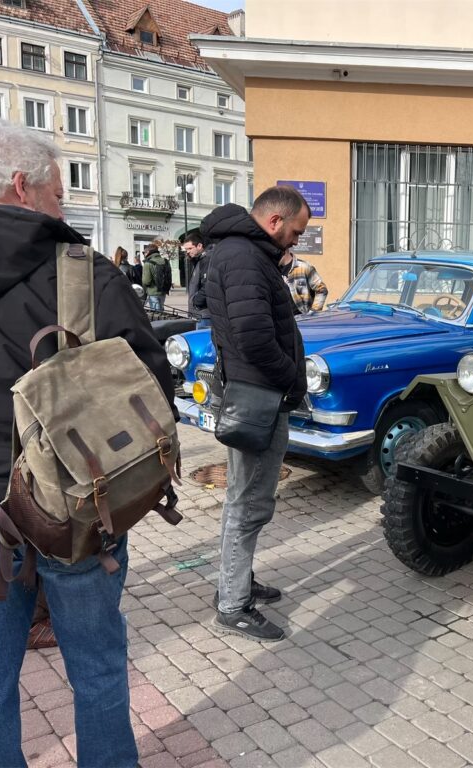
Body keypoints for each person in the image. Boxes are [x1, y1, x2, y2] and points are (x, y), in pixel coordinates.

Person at [0, 121, 174, 767]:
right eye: (59, 195)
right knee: (96, 668)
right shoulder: (79, 272)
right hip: (81, 508)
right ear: (22, 187)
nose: (62, 209)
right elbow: (154, 392)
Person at [203, 187, 309, 641]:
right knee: (249, 504)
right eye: (296, 231)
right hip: (260, 398)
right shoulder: (244, 258)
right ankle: (233, 605)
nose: (296, 241)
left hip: (256, 394)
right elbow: (254, 337)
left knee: (245, 500)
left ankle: (236, 582)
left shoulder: (240, 252)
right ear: (274, 222)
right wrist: (292, 379)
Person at [279, 248, 329, 315]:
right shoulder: (272, 270)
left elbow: (322, 290)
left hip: (301, 321)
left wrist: (313, 313)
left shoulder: (304, 268)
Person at [182, 231, 212, 329]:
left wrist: (197, 302)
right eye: (186, 249)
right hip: (199, 313)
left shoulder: (207, 259)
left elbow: (208, 285)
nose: (187, 252)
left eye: (190, 248)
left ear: (199, 246)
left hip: (204, 314)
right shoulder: (199, 260)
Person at [141, 242, 171, 311]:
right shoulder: (166, 261)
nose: (144, 254)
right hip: (163, 291)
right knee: (161, 310)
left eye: (144, 252)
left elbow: (146, 281)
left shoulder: (148, 263)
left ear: (148, 252)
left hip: (153, 292)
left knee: (156, 313)